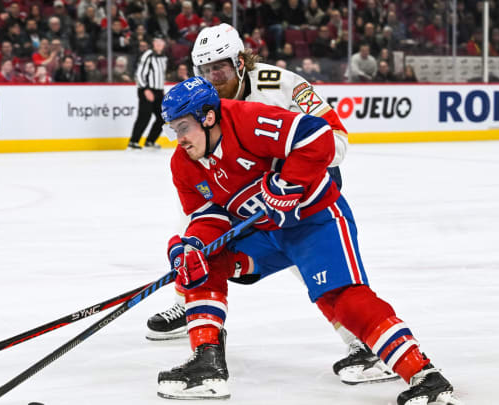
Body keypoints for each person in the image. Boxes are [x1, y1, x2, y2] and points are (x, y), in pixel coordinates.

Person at [156, 76, 462, 405]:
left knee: (342, 300)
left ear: (209, 117)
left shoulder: (248, 120)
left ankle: (425, 376)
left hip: (315, 222)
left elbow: (318, 135)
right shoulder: (183, 163)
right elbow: (207, 216)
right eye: (174, 129)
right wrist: (191, 245)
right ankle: (207, 363)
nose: (180, 138)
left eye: (184, 127)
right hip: (265, 234)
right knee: (205, 265)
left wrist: (288, 184)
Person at [145, 23, 399, 387]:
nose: (213, 77)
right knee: (196, 235)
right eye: (205, 69)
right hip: (243, 188)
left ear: (241, 61)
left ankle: (363, 340)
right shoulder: (205, 100)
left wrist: (285, 180)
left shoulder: (282, 85)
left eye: (221, 67)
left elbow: (336, 138)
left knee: (310, 266)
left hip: (297, 188)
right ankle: (190, 304)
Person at [128, 35, 167, 150]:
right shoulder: (148, 55)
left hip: (158, 91)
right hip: (147, 89)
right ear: (153, 44)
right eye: (156, 42)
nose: (159, 45)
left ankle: (150, 141)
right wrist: (145, 89)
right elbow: (139, 74)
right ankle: (133, 141)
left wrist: (161, 89)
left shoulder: (164, 58)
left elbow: (160, 75)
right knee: (145, 116)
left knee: (163, 117)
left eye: (161, 42)